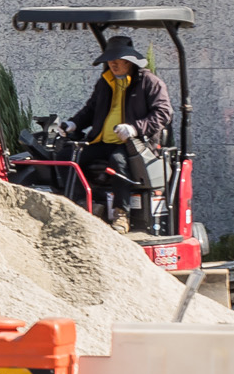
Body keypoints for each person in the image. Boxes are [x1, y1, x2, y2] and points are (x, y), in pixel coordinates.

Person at [67, 35, 174, 233]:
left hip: (135, 145)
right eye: (111, 61)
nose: (114, 65)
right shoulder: (105, 82)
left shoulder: (149, 82)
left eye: (119, 61)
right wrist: (73, 123)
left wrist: (135, 128)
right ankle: (82, 205)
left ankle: (121, 214)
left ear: (130, 61)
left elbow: (163, 113)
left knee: (119, 162)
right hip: (102, 141)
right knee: (68, 157)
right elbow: (91, 110)